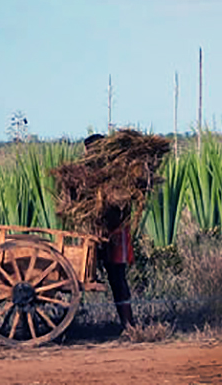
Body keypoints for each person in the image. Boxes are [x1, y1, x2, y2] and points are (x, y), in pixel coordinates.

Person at [84, 134, 136, 331]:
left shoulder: (115, 177)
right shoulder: (92, 175)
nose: (86, 155)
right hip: (98, 234)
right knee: (115, 279)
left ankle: (129, 325)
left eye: (89, 151)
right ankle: (127, 325)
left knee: (118, 278)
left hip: (115, 233)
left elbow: (119, 206)